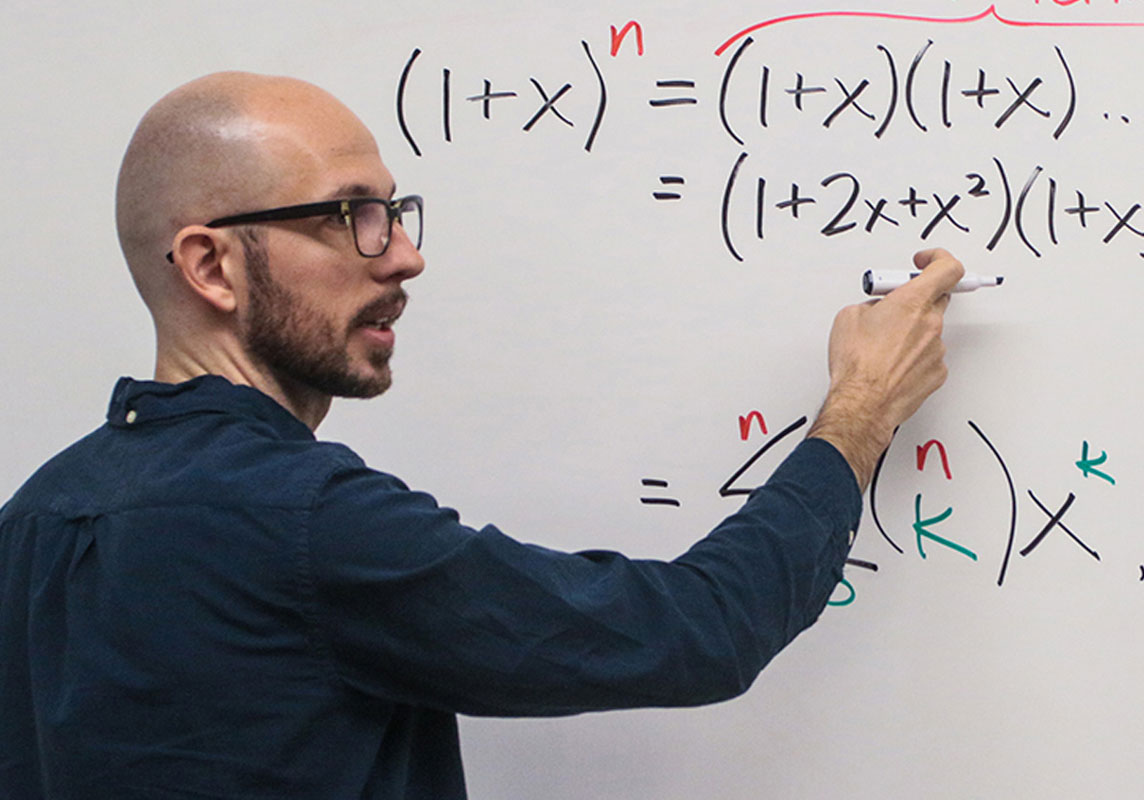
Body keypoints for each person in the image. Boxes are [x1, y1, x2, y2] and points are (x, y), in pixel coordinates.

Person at [0, 71, 965, 799]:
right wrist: (862, 408)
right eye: (353, 218)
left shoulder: (29, 523)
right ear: (212, 266)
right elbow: (696, 631)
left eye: (395, 212)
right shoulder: (303, 522)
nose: (407, 255)